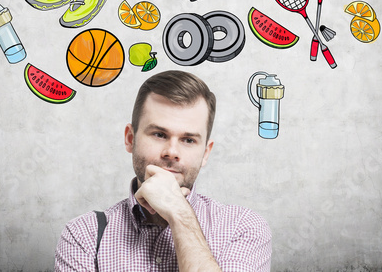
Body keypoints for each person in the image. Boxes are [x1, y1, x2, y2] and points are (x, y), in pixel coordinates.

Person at [55, 70, 272, 271]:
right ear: (130, 139)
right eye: (159, 134)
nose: (171, 152)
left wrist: (178, 213)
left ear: (206, 152)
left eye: (188, 139)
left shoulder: (243, 227)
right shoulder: (84, 235)